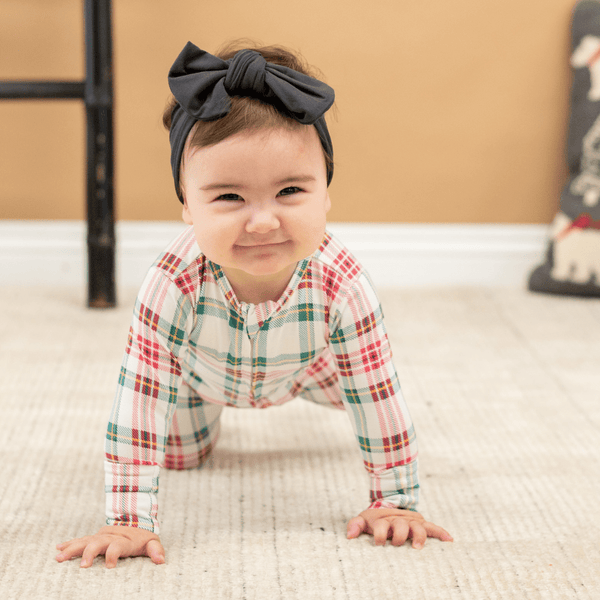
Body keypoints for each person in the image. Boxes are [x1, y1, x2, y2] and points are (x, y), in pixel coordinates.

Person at [56, 41, 453, 569]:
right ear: (186, 204)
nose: (263, 221)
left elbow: (377, 394)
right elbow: (141, 400)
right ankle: (200, 428)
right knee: (181, 457)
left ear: (326, 193)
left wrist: (395, 502)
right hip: (201, 375)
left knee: (361, 396)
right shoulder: (172, 282)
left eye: (290, 190)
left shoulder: (343, 281)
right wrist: (129, 519)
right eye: (228, 197)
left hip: (311, 365)